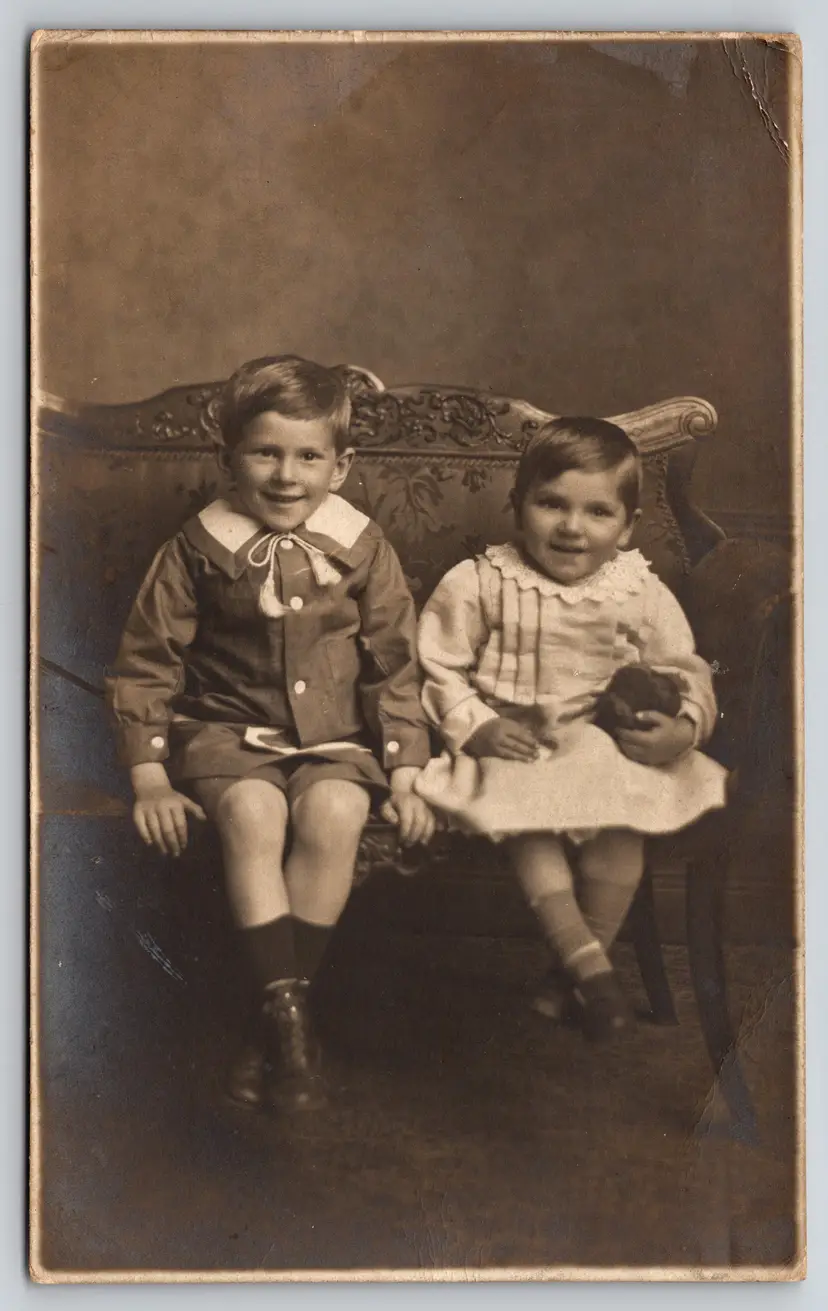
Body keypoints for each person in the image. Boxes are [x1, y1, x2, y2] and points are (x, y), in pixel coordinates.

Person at [105, 355, 435, 1114]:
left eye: (309, 455)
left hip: (334, 741)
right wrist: (149, 774)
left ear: (341, 464)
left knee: (338, 813)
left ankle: (273, 1019)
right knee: (254, 813)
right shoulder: (197, 548)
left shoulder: (362, 546)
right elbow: (147, 663)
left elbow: (395, 664)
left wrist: (407, 766)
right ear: (228, 459)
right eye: (266, 453)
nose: (288, 475)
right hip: (227, 734)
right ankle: (290, 1024)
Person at [415, 417, 727, 1041]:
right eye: (550, 504)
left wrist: (684, 727)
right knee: (525, 816)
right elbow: (437, 665)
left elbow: (684, 668)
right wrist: (476, 727)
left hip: (600, 740)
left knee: (624, 822)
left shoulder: (638, 589)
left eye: (597, 512)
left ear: (628, 525)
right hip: (515, 740)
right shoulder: (482, 580)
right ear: (517, 506)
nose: (570, 527)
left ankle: (573, 974)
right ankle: (592, 970)